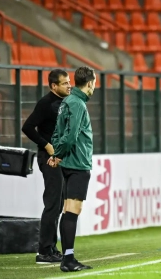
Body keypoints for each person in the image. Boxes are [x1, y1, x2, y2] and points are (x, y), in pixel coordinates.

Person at [48, 66, 96, 272]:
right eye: (94, 83)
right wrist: (58, 154)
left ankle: (67, 257)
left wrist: (56, 154)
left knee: (68, 210)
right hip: (78, 163)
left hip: (69, 162)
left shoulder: (67, 101)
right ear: (90, 83)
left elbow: (57, 132)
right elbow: (71, 135)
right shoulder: (77, 104)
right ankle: (68, 260)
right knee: (72, 211)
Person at [22, 69, 71, 264]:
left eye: (69, 82)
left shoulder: (65, 102)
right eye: (64, 83)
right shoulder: (46, 103)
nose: (69, 85)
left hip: (60, 159)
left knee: (58, 204)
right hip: (49, 158)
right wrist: (47, 145)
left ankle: (51, 247)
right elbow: (27, 127)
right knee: (52, 204)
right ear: (53, 86)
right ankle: (43, 251)